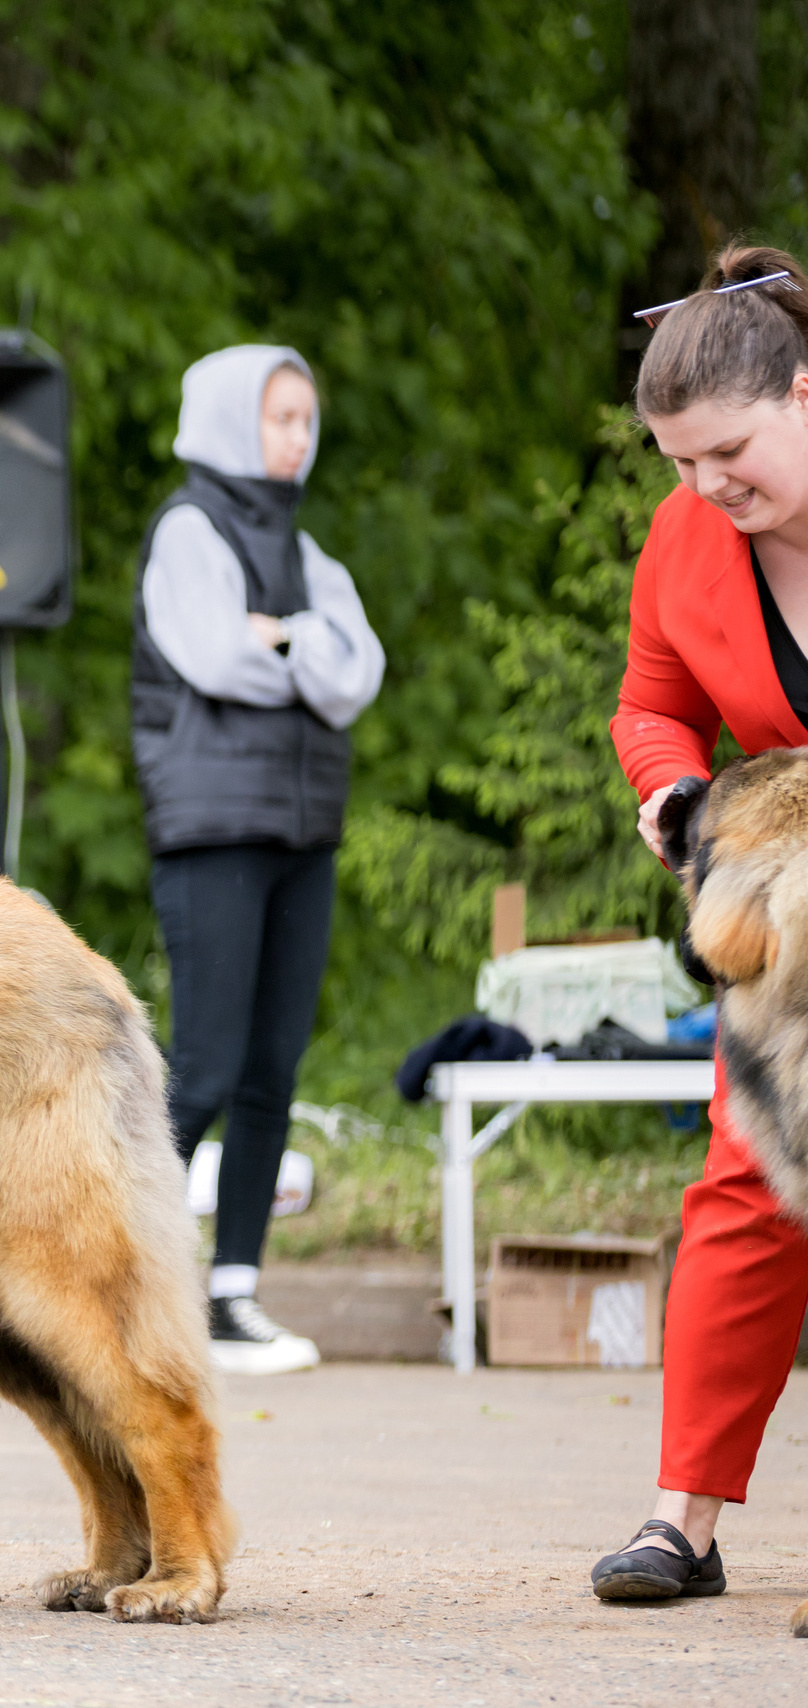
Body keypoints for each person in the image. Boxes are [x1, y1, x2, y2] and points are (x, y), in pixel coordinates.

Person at [593, 243, 808, 1603]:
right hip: (782, 904)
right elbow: (651, 701)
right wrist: (673, 786)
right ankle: (686, 1521)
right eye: (677, 463)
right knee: (748, 1182)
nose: (705, 488)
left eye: (728, 452)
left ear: (802, 394)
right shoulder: (689, 535)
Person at [130, 345, 387, 1376]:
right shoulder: (187, 530)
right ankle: (125, 1279)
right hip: (214, 831)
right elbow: (211, 656)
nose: (298, 437)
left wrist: (278, 637)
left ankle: (230, 1295)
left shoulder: (307, 547)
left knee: (272, 1071)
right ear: (234, 419)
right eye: (281, 417)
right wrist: (299, 644)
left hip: (300, 832)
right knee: (202, 1067)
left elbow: (353, 673)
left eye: (307, 420)